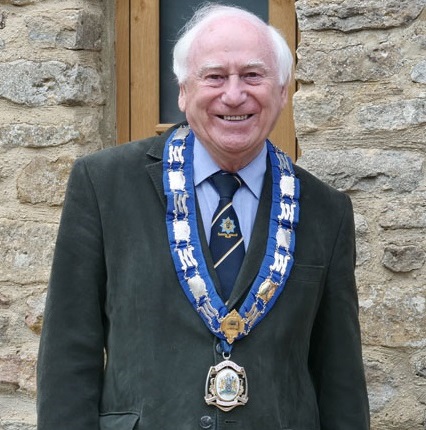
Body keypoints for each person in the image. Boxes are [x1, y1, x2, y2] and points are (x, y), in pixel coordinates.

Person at [37, 3, 370, 429]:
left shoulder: (326, 210)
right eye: (214, 76)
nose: (234, 95)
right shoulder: (103, 185)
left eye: (253, 75)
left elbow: (339, 380)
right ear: (183, 91)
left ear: (284, 91)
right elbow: (69, 356)